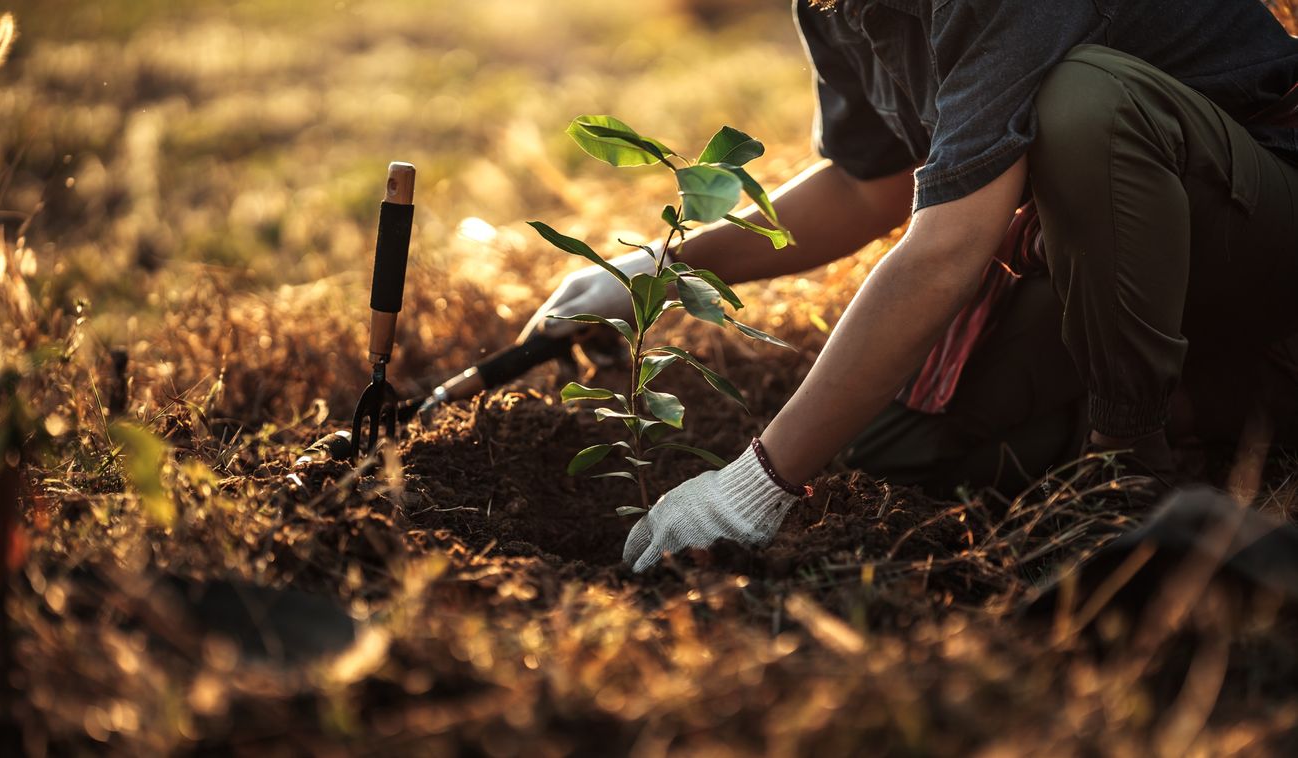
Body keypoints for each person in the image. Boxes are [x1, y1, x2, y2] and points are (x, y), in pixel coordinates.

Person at [521, 0, 1298, 572]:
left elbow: (948, 245)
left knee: (1086, 101)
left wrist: (755, 483)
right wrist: (660, 266)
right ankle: (1221, 406)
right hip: (1118, 266)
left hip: (1261, 226)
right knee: (891, 453)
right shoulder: (835, 6)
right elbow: (870, 188)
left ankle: (1128, 465)